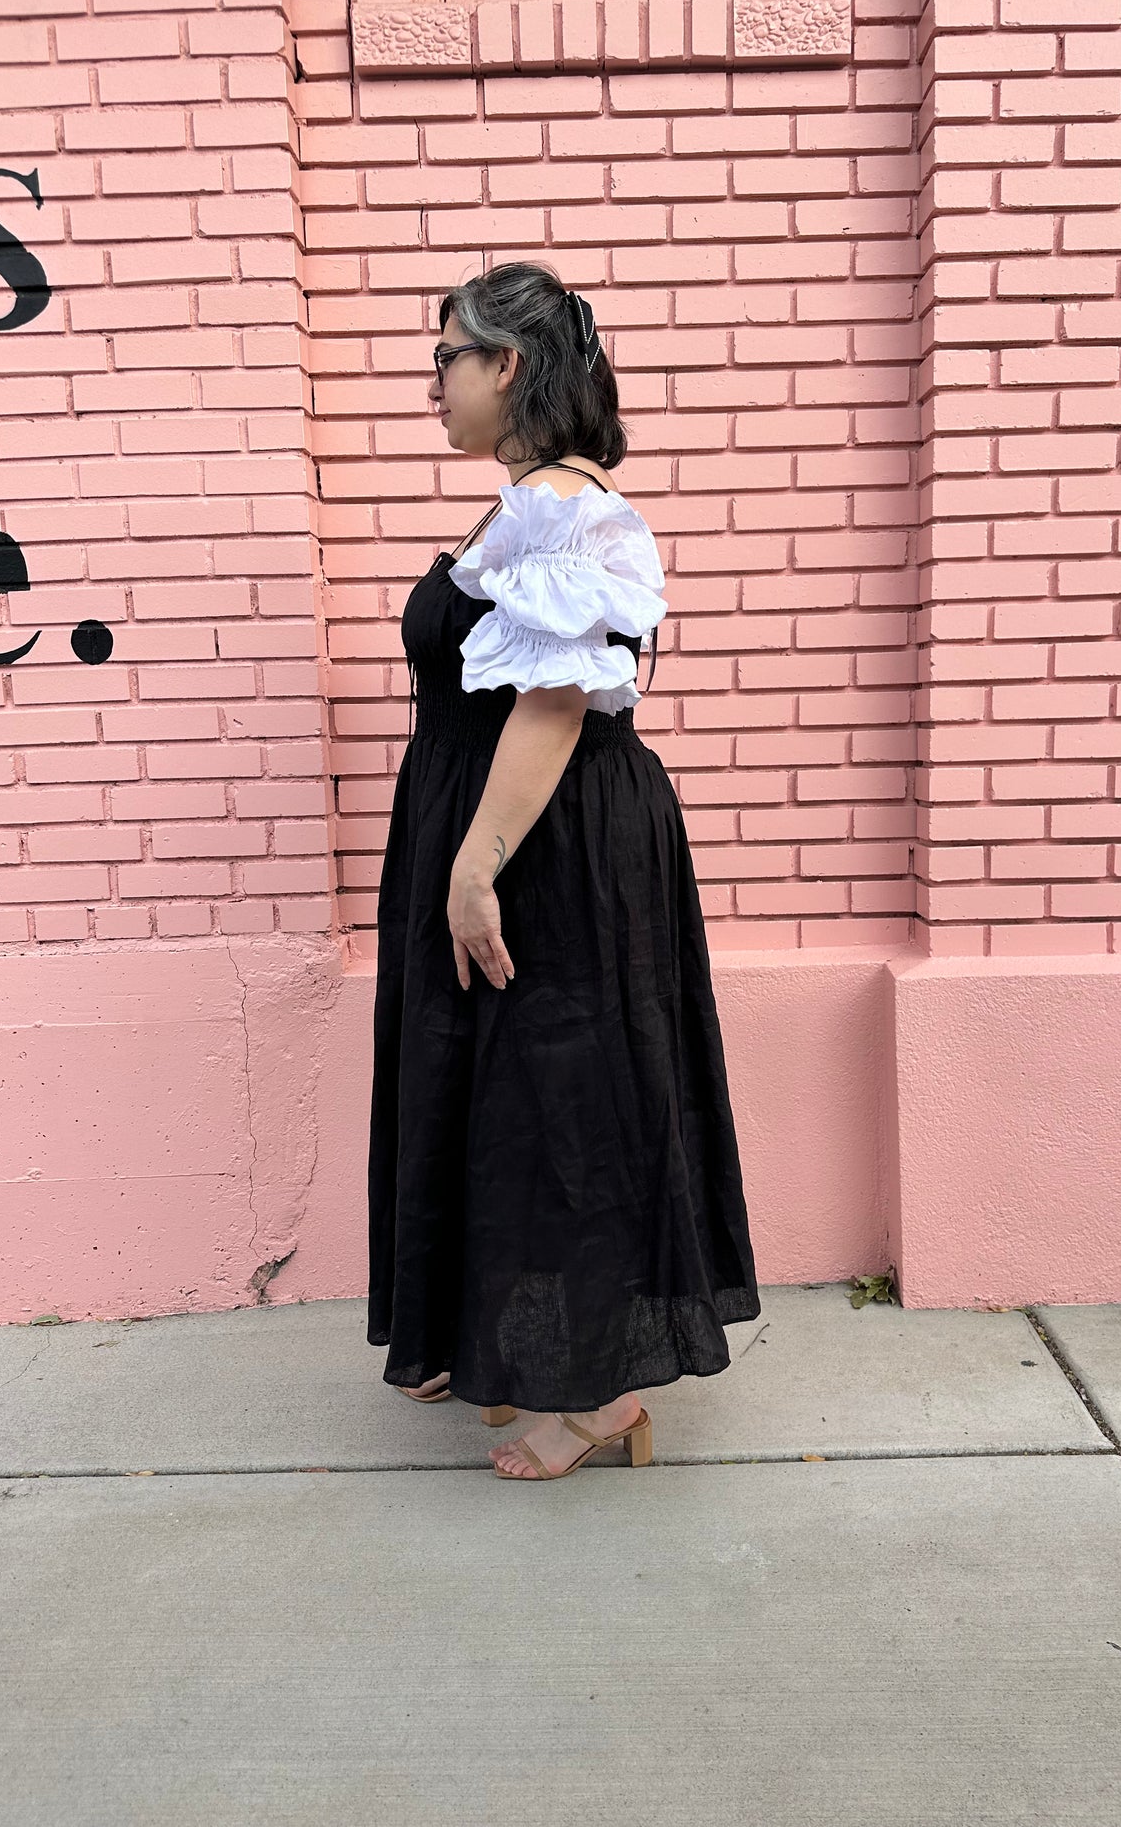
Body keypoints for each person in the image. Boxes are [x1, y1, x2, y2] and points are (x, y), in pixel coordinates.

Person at [366, 260, 762, 1483]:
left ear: (509, 367)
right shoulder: (517, 505)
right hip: (509, 826)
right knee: (512, 1102)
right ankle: (521, 1346)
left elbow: (550, 704)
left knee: (573, 1103)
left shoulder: (562, 506)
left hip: (547, 841)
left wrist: (476, 865)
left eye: (446, 356)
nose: (431, 382)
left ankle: (605, 1391)